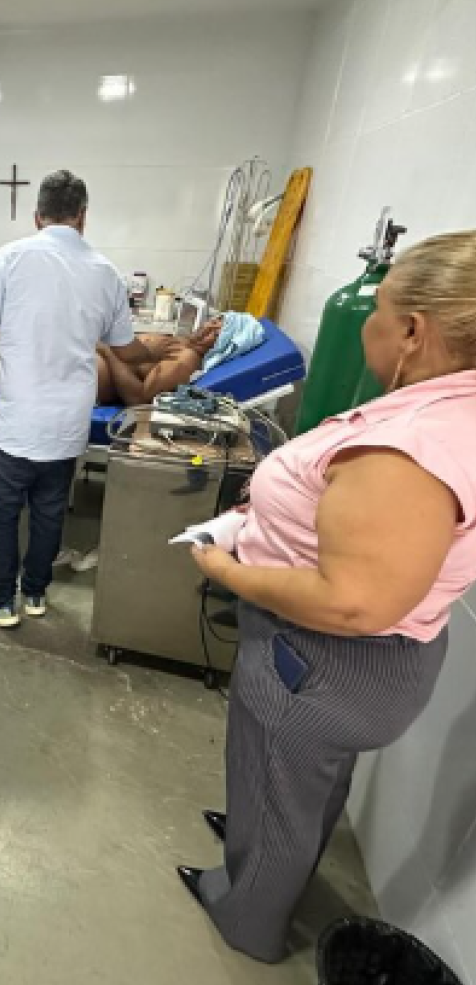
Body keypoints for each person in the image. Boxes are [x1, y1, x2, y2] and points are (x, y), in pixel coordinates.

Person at [179, 229, 476, 963]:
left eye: (379, 311)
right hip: (366, 662)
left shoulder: (411, 448)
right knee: (299, 783)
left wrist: (225, 569)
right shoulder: (445, 412)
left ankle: (246, 918)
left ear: (413, 331)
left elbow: (351, 603)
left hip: (322, 657)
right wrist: (269, 514)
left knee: (282, 788)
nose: (368, 325)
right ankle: (256, 845)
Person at [0, 169, 162, 627]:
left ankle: (0, 600)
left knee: (2, 514)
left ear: (38, 216)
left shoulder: (10, 258)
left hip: (16, 421)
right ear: (83, 216)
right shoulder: (106, 273)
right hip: (68, 422)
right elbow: (127, 350)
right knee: (50, 512)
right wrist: (163, 349)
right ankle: (35, 594)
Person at [0, 319, 222, 407]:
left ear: (223, 342)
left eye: (217, 331)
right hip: (75, 362)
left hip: (82, 380)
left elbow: (138, 398)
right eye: (213, 322)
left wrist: (106, 352)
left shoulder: (186, 359)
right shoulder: (181, 342)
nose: (208, 327)